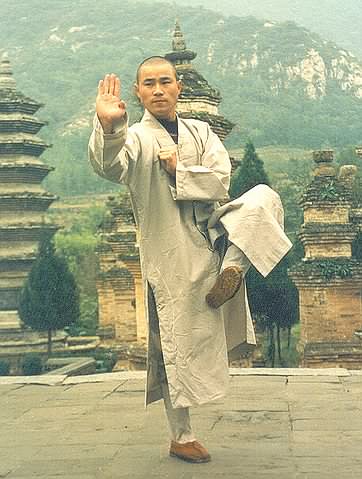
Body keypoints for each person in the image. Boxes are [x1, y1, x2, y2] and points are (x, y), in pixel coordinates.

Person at [88, 56, 292, 463]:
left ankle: (234, 266)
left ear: (179, 87)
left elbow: (221, 181)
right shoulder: (136, 138)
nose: (159, 89)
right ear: (138, 92)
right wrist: (110, 127)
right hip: (172, 250)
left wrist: (180, 169)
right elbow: (110, 166)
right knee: (174, 345)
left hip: (214, 233)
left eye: (166, 81)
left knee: (265, 197)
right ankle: (181, 435)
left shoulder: (201, 131)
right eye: (149, 84)